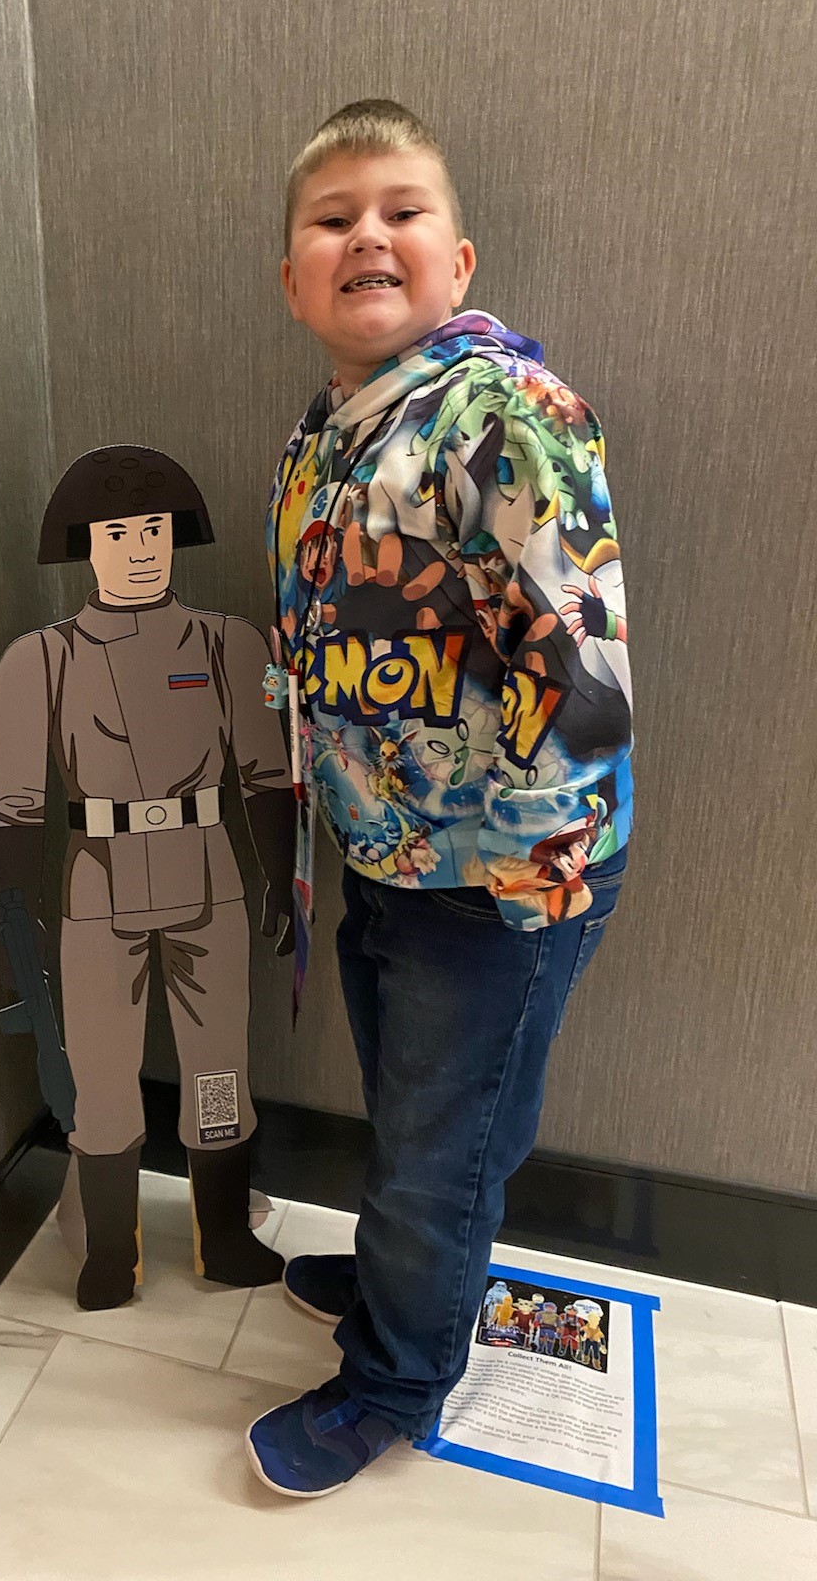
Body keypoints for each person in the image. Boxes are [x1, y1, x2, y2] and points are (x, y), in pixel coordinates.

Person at [245, 101, 633, 1496]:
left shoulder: (500, 415)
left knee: (444, 1142)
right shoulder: (334, 427)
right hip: (391, 851)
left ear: (457, 260)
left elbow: (582, 672)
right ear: (294, 281)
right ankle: (413, 1268)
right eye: (333, 218)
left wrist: (527, 882)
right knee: (417, 1114)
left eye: (401, 211)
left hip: (502, 875)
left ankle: (399, 1378)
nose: (369, 235)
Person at [0, 447, 294, 1312]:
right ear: (86, 545)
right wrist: (14, 916)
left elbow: (266, 775)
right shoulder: (38, 659)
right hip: (97, 884)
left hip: (209, 873)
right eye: (118, 533)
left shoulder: (226, 643)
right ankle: (109, 1254)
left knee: (219, 1065)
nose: (141, 548)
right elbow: (13, 802)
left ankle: (224, 1237)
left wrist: (282, 879)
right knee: (103, 1078)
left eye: (153, 529)